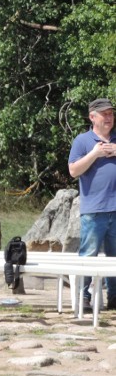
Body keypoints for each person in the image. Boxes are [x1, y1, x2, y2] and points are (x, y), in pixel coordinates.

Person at [68, 98, 116, 311]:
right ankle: (83, 297)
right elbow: (73, 171)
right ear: (92, 117)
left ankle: (114, 298)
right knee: (88, 255)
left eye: (111, 114)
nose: (108, 117)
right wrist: (95, 154)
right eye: (104, 114)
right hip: (94, 210)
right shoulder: (82, 141)